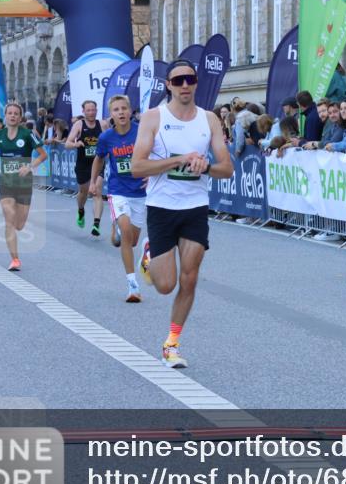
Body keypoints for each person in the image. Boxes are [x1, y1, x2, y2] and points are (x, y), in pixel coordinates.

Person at [131, 59, 234, 369]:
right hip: (162, 208)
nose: (185, 85)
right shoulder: (153, 118)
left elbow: (227, 169)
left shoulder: (210, 120)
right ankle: (149, 254)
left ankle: (171, 344)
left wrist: (206, 167)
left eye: (190, 79)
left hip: (195, 208)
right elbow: (137, 167)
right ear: (169, 86)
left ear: (196, 82)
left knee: (189, 280)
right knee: (165, 286)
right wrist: (176, 162)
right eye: (178, 81)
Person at [90, 95, 148, 302]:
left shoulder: (141, 131)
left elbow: (157, 154)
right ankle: (133, 286)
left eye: (124, 108)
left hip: (140, 193)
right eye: (116, 110)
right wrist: (93, 181)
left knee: (131, 241)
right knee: (126, 230)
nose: (121, 112)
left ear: (130, 110)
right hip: (117, 190)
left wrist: (151, 174)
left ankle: (120, 231)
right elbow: (98, 159)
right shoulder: (106, 137)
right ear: (111, 114)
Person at [0, 102, 47, 271]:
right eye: (9, 113)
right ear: (5, 116)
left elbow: (43, 155)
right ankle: (15, 259)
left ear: (20, 117)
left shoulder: (27, 134)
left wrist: (30, 166)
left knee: (19, 225)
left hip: (24, 184)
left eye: (15, 113)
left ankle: (16, 231)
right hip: (6, 183)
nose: (12, 116)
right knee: (9, 218)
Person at [66, 100, 106, 236]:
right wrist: (75, 145)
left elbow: (110, 140)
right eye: (88, 110)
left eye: (93, 110)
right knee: (83, 193)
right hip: (83, 164)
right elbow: (67, 143)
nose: (91, 113)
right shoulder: (79, 124)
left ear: (96, 110)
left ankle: (96, 224)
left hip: (98, 162)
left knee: (97, 191)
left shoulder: (103, 124)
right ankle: (81, 210)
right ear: (83, 111)